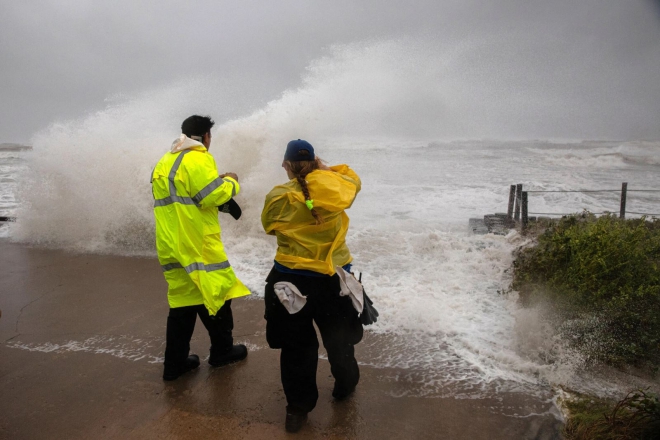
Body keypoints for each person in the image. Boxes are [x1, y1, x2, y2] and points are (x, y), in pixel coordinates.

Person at [261, 139, 363, 433]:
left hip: (288, 282)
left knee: (296, 348)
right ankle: (344, 386)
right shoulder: (337, 188)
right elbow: (353, 180)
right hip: (334, 280)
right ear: (317, 162)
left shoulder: (279, 196)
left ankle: (297, 410)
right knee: (339, 339)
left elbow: (268, 225)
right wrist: (324, 169)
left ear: (286, 166)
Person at [151, 115, 250, 381]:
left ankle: (174, 364)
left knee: (183, 302)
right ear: (206, 136)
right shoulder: (199, 157)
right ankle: (222, 352)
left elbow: (187, 195)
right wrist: (231, 181)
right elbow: (213, 196)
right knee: (217, 292)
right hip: (198, 243)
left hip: (171, 243)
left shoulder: (165, 161)